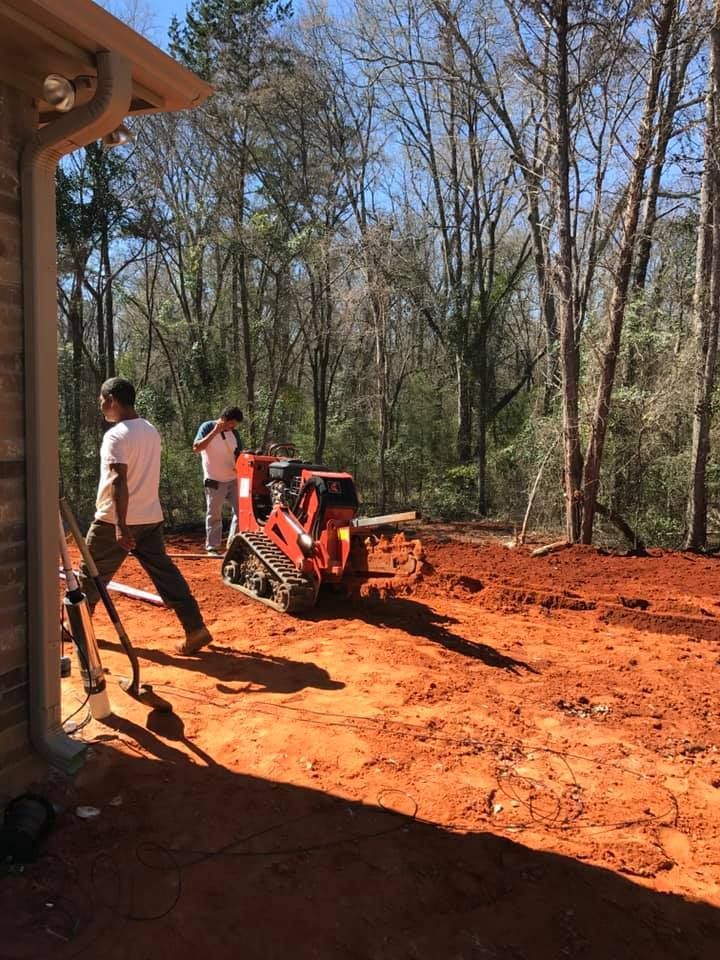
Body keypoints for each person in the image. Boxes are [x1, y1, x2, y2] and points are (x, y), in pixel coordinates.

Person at [78, 377, 213, 656]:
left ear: (112, 399)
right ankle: (195, 627)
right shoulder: (150, 430)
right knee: (165, 573)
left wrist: (120, 526)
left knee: (89, 575)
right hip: (150, 517)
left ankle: (78, 632)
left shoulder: (116, 435)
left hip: (114, 520)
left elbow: (118, 480)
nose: (102, 408)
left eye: (102, 402)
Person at [192, 405, 244, 556]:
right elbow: (196, 448)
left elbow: (238, 454)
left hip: (234, 478)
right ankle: (213, 547)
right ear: (224, 419)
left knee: (241, 511)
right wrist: (215, 431)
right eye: (231, 424)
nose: (232, 427)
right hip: (214, 479)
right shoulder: (207, 427)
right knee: (214, 514)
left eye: (235, 425)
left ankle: (233, 544)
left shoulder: (234, 433)